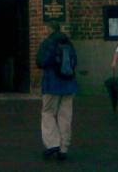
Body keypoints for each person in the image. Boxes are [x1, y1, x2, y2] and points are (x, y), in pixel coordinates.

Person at [36, 21, 77, 161]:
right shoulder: (69, 43)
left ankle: (53, 143)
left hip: (51, 83)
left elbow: (40, 62)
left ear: (49, 29)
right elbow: (74, 61)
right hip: (68, 84)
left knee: (48, 112)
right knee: (65, 116)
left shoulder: (48, 43)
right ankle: (64, 147)